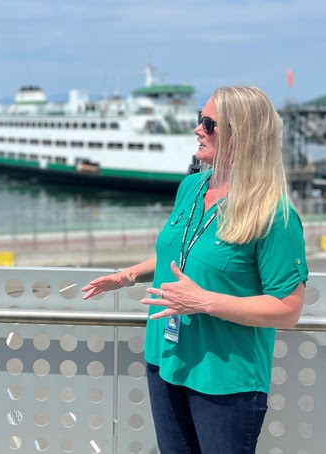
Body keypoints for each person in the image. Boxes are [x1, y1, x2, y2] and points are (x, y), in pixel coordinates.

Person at [82, 86, 308, 453]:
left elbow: (289, 309)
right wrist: (128, 275)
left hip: (223, 379)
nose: (197, 129)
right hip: (165, 358)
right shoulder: (192, 186)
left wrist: (204, 302)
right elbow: (184, 253)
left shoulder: (274, 214)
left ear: (242, 133)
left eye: (208, 123)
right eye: (198, 120)